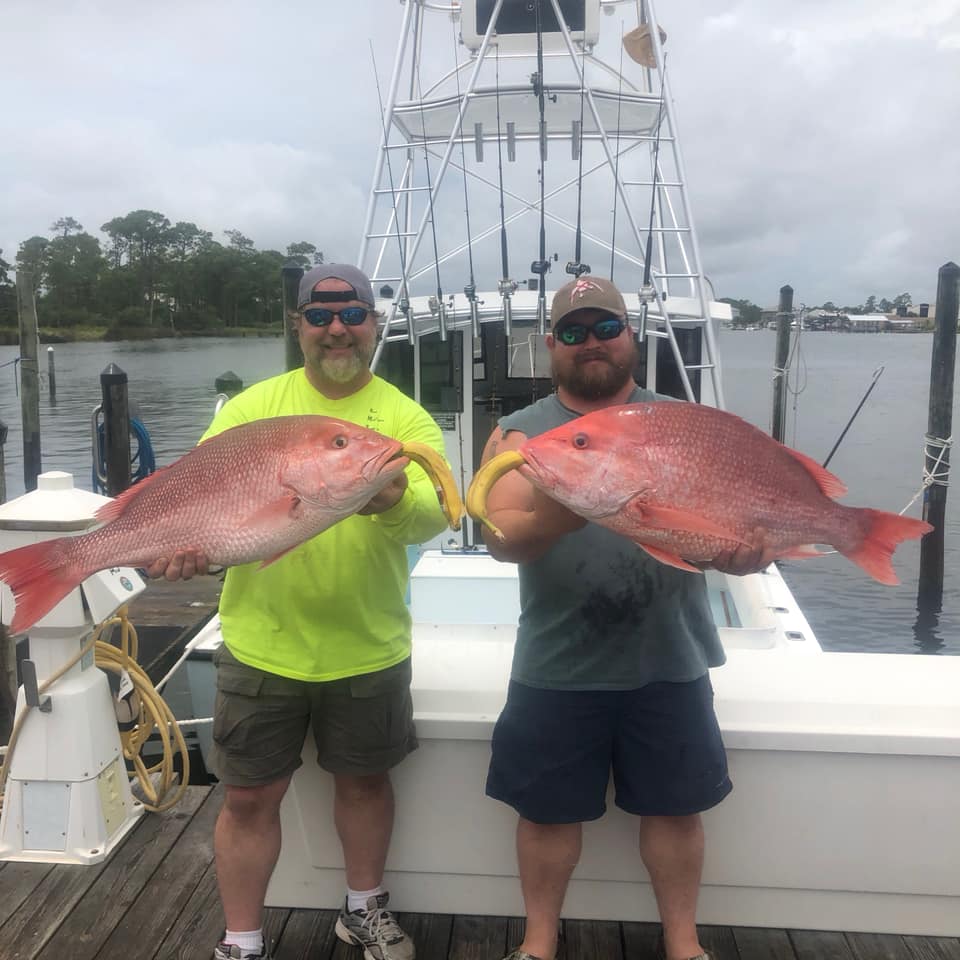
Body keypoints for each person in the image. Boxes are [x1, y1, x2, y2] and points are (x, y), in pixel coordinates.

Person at [148, 264, 449, 960]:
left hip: (367, 644)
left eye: (352, 316)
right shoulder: (252, 408)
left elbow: (434, 514)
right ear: (298, 326)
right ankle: (242, 940)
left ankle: (364, 910)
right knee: (248, 798)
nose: (337, 330)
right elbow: (200, 497)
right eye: (319, 317)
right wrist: (193, 553)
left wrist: (391, 499)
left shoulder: (404, 418)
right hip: (262, 644)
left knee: (366, 786)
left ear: (373, 324)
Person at [478, 276, 775, 960]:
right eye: (573, 331)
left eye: (606, 328)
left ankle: (684, 945)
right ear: (551, 343)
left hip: (670, 656)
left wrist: (741, 556)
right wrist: (568, 507)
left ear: (631, 335)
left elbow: (722, 524)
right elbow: (501, 537)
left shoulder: (683, 422)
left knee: (676, 810)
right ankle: (538, 944)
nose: (592, 342)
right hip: (557, 662)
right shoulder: (520, 434)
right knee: (546, 814)